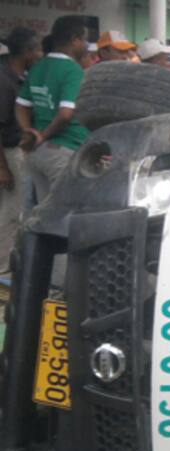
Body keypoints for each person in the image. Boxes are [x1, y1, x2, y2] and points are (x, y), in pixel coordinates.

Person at [14, 15, 89, 206]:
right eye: (85, 39)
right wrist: (42, 135)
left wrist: (29, 132)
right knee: (66, 213)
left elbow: (21, 106)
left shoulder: (38, 67)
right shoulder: (73, 70)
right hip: (65, 151)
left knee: (45, 213)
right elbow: (65, 114)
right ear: (75, 40)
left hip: (38, 153)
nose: (86, 45)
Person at [0, 27, 41, 272]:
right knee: (12, 212)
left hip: (19, 151)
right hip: (9, 153)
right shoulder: (4, 82)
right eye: (37, 50)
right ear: (26, 52)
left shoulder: (21, 78)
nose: (40, 55)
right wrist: (3, 168)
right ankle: (3, 267)